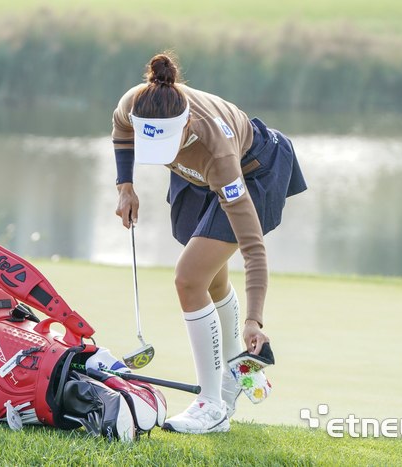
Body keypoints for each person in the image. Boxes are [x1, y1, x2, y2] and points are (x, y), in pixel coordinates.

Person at [112, 52, 306, 434]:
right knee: (210, 277)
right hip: (196, 175)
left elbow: (253, 248)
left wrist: (255, 319)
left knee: (188, 278)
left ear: (185, 126)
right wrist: (126, 187)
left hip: (253, 170)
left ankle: (211, 405)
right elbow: (120, 131)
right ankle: (237, 367)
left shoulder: (217, 150)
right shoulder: (134, 102)